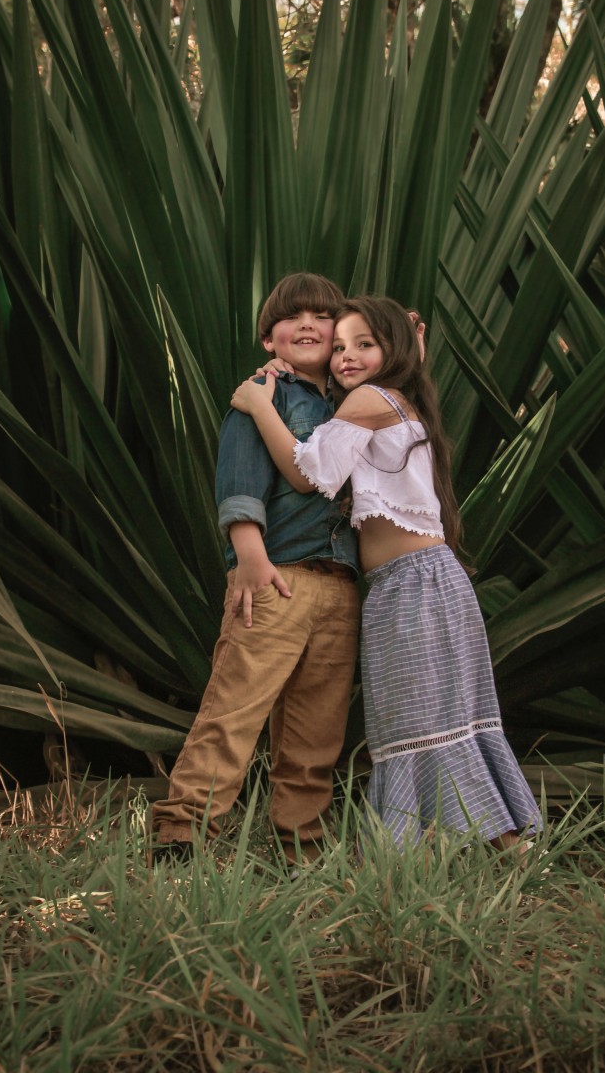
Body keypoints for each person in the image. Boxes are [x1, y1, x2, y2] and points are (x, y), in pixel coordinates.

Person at [231, 295, 540, 852]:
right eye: (340, 346)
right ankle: (472, 847)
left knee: (419, 722)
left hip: (416, 584)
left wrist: (259, 406)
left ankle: (481, 848)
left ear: (390, 351)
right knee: (423, 720)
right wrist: (408, 346)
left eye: (364, 345)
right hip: (413, 584)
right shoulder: (392, 397)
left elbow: (310, 473)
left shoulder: (373, 398)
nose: (346, 356)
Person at [151, 273, 360, 865]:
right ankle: (183, 830)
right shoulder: (263, 395)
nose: (308, 324)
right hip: (276, 576)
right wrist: (249, 556)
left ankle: (303, 846)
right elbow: (241, 478)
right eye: (292, 317)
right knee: (235, 708)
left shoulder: (354, 403)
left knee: (316, 731)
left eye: (323, 315)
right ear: (269, 339)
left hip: (341, 585)